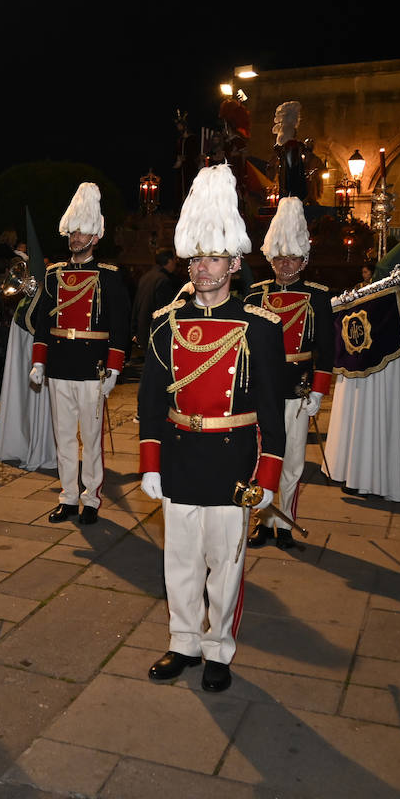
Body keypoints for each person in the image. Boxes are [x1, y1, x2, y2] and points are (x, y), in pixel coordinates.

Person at [138, 163, 286, 693]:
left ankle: (218, 648)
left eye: (213, 258)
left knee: (224, 563)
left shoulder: (261, 328)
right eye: (196, 257)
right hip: (179, 455)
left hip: (232, 458)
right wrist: (150, 462)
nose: (202, 269)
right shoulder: (166, 323)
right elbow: (151, 399)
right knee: (179, 560)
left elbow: (272, 410)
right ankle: (183, 641)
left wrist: (267, 477)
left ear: (235, 262)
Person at [324, 199, 400, 502]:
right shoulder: (384, 304)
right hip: (367, 373)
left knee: (385, 418)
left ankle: (375, 479)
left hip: (384, 377)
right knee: (367, 418)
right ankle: (359, 475)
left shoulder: (394, 307)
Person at [29, 182, 131, 525]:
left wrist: (114, 369)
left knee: (90, 438)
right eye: (72, 232)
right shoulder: (55, 275)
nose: (75, 238)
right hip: (59, 365)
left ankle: (91, 498)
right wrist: (39, 361)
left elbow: (119, 326)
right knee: (63, 438)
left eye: (82, 232)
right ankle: (68, 497)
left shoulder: (110, 277)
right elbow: (44, 324)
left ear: (96, 237)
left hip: (92, 367)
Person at [244, 197, 334, 550]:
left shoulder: (317, 297)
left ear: (304, 259)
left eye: (292, 257)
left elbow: (326, 349)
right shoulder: (255, 294)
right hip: (262, 389)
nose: (284, 264)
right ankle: (264, 521)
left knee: (293, 460)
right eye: (279, 257)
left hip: (296, 390)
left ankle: (286, 523)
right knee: (261, 456)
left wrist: (318, 390)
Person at [0, 253, 59, 471]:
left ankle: (33, 445)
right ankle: (20, 443)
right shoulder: (27, 299)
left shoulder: (44, 295)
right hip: (23, 349)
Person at [131, 248, 181, 353]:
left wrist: (134, 330)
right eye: (174, 260)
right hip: (154, 332)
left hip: (142, 330)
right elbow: (163, 310)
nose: (176, 263)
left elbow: (136, 304)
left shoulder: (146, 276)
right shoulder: (163, 280)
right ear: (169, 261)